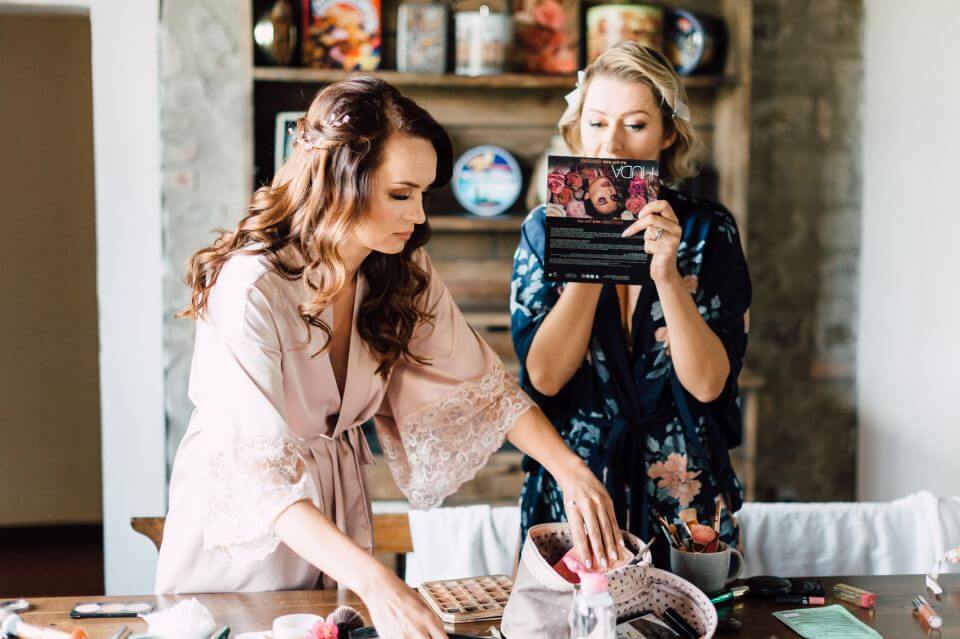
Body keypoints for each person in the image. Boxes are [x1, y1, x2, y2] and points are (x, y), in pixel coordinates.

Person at [155, 77, 624, 638]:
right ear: (339, 180)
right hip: (242, 540)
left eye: (423, 194)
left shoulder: (398, 269)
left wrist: (571, 470)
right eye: (401, 195)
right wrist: (378, 582)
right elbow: (257, 480)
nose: (418, 215)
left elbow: (481, 387)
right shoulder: (251, 287)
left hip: (332, 533)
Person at [511, 42, 752, 568]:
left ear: (667, 134)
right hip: (578, 495)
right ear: (577, 130)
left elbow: (709, 384)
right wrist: (592, 255)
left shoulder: (709, 230)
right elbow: (544, 377)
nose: (612, 144)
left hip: (684, 497)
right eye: (597, 123)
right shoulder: (541, 230)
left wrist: (666, 276)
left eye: (635, 125)